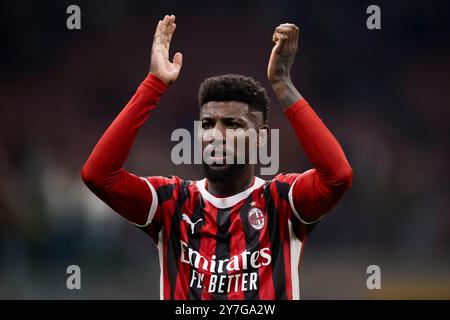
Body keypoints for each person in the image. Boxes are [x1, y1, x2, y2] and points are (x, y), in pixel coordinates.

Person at [81, 14, 353, 300]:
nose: (216, 135)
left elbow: (338, 176)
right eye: (208, 124)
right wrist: (153, 84)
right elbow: (98, 176)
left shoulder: (281, 202)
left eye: (233, 125)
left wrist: (283, 85)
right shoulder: (172, 203)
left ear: (260, 137)